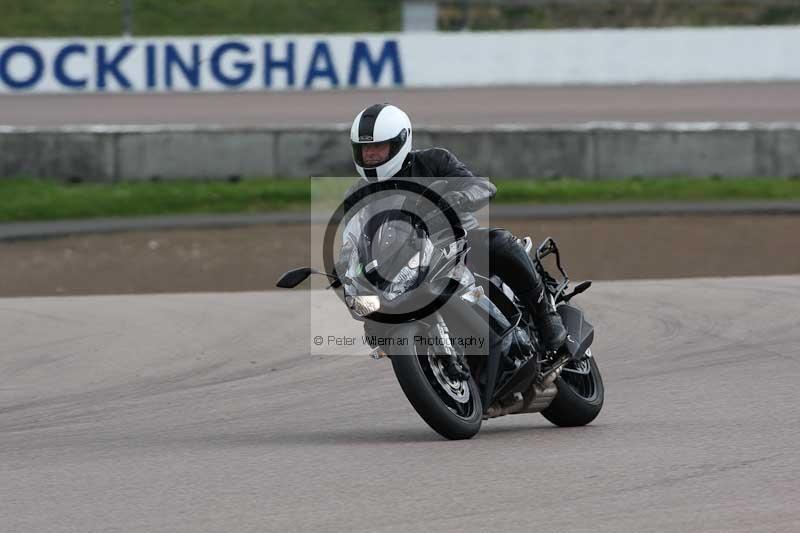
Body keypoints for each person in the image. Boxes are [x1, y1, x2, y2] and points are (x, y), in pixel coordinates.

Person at [347, 103, 567, 375]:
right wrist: (347, 267)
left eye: (377, 147)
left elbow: (483, 186)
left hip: (457, 243)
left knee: (497, 241)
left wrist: (459, 197)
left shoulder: (434, 161)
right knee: (373, 319)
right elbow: (354, 238)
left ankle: (546, 316)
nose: (369, 155)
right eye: (364, 149)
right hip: (407, 266)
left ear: (400, 143)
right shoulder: (358, 195)